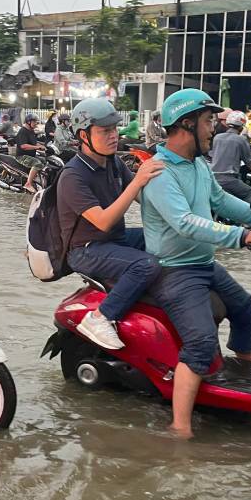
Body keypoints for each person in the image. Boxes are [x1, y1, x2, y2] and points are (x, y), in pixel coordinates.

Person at [140, 89, 251, 439]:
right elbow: (184, 222)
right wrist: (241, 236)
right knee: (200, 344)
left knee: (247, 310)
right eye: (208, 122)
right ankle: (179, 429)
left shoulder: (198, 164)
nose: (213, 129)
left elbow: (221, 200)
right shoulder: (159, 172)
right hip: (174, 269)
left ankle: (243, 390)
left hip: (203, 263)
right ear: (187, 124)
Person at [57, 98, 164, 350]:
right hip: (86, 249)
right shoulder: (72, 176)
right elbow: (103, 221)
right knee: (146, 265)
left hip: (114, 239)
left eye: (115, 129)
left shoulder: (113, 163)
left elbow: (141, 197)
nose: (114, 136)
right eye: (105, 131)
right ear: (84, 135)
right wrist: (137, 181)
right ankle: (100, 317)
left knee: (161, 237)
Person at [209, 110, 251, 201]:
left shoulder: (217, 137)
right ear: (242, 127)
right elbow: (249, 163)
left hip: (214, 179)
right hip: (229, 180)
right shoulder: (240, 140)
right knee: (250, 193)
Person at [16, 114, 44, 193]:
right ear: (29, 122)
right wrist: (37, 147)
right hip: (22, 156)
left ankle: (38, 181)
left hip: (31, 155)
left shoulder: (31, 131)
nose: (36, 124)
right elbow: (23, 146)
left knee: (45, 160)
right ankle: (28, 184)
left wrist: (43, 147)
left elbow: (34, 143)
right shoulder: (23, 131)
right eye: (34, 122)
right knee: (37, 163)